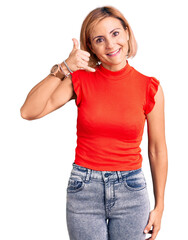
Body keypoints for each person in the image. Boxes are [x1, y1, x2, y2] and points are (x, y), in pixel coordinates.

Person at [20, 5, 168, 240]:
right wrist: (65, 68)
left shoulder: (150, 88)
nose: (110, 45)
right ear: (91, 48)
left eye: (115, 33)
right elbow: (29, 111)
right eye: (99, 40)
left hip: (131, 190)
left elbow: (157, 150)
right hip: (84, 190)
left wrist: (159, 207)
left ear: (127, 33)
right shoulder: (79, 80)